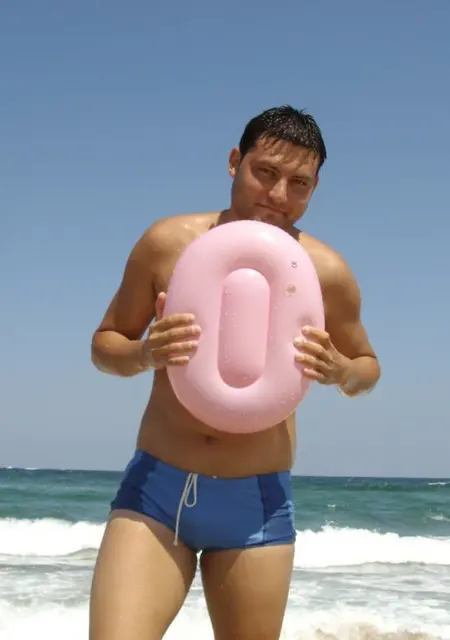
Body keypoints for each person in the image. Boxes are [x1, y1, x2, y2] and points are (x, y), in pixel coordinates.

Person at [89, 105, 380, 640]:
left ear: (315, 188)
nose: (278, 195)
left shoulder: (326, 271)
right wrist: (146, 353)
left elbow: (367, 367)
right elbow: (106, 344)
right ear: (233, 162)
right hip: (157, 490)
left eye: (299, 183)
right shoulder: (168, 242)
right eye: (265, 173)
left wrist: (339, 371)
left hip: (256, 503)